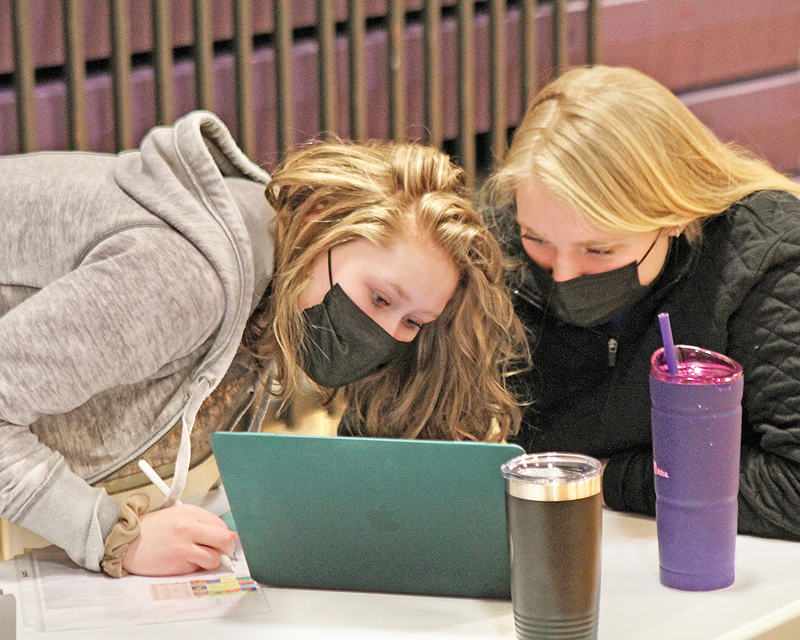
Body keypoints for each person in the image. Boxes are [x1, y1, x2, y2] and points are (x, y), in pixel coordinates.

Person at [0, 111, 525, 577]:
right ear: (320, 220)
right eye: (380, 298)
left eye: (414, 321)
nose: (383, 334)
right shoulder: (187, 278)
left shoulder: (277, 265)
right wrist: (115, 536)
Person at [485, 65, 800, 541]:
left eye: (599, 249)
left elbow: (793, 487)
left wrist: (610, 479)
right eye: (539, 240)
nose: (563, 273)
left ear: (675, 214)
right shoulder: (494, 251)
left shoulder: (767, 261)